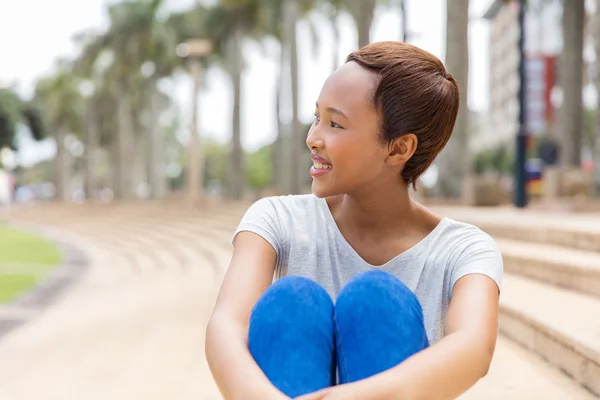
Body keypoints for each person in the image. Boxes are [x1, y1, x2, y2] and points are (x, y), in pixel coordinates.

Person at [206, 41, 503, 400]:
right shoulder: (276, 220)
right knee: (291, 301)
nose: (313, 138)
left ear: (398, 148)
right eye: (317, 117)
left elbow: (473, 348)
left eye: (335, 124)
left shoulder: (463, 250)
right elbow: (226, 325)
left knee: (376, 300)